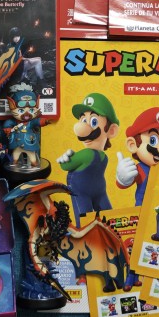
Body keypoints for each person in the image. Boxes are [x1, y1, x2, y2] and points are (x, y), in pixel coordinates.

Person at [57, 93, 120, 223]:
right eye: (83, 120)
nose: (82, 127)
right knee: (109, 220)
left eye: (93, 121)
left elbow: (65, 165)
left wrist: (66, 159)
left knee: (85, 223)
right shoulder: (104, 157)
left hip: (81, 192)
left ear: (111, 130)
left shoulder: (87, 154)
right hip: (100, 190)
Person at [116, 107, 159, 205]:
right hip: (143, 211)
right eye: (153, 140)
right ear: (133, 145)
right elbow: (122, 185)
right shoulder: (140, 170)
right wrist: (122, 178)